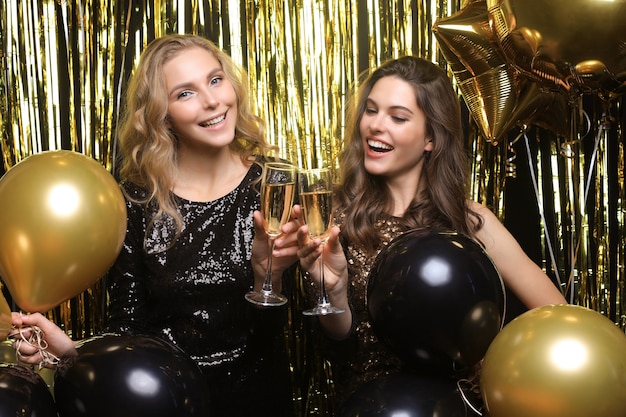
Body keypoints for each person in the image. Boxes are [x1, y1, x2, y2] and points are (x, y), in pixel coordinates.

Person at [11, 34, 298, 417]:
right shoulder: (135, 201)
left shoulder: (277, 187)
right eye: (185, 93)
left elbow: (285, 335)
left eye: (215, 80)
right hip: (164, 403)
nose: (212, 101)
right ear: (162, 115)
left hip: (257, 403)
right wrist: (70, 353)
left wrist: (268, 279)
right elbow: (128, 329)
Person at [288, 55, 568, 408]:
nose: (376, 125)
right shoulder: (333, 219)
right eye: (371, 111)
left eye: (398, 117)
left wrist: (494, 369)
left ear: (431, 139)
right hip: (370, 407)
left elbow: (556, 316)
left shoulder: (469, 221)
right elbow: (341, 350)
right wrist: (334, 294)